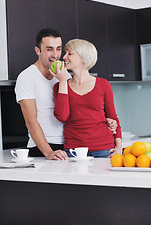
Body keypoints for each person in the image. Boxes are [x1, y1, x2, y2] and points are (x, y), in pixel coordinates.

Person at [15, 28, 117, 160]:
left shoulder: (64, 75)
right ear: (38, 51)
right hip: (44, 147)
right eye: (49, 49)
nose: (55, 55)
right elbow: (30, 121)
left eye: (58, 49)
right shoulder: (27, 77)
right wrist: (48, 152)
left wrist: (106, 122)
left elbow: (76, 111)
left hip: (69, 145)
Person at [51, 39, 122, 158]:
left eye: (70, 53)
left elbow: (113, 118)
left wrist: (119, 148)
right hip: (74, 151)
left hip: (104, 149)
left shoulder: (103, 84)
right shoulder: (59, 86)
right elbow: (62, 116)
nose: (64, 57)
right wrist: (63, 82)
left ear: (83, 57)